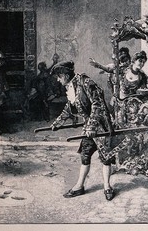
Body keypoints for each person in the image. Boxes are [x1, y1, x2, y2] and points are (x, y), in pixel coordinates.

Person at [49, 61, 117, 201]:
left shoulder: (85, 82)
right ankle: (79, 186)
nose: (58, 80)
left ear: (65, 75)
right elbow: (70, 107)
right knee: (85, 155)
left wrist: (92, 126)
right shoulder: (71, 86)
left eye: (59, 77)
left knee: (105, 157)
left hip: (102, 125)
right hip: (89, 128)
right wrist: (58, 122)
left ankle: (107, 186)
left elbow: (97, 103)